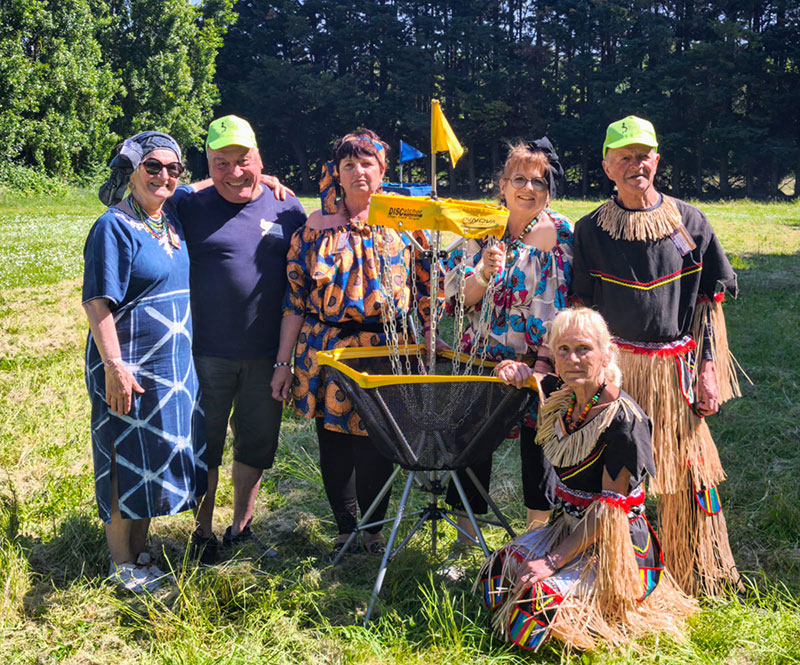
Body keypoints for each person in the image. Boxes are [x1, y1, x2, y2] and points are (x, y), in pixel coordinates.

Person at [571, 115, 741, 595]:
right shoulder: (590, 231)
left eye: (643, 155)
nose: (634, 165)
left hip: (674, 372)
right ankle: (621, 573)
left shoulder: (690, 223)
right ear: (607, 166)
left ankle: (697, 570)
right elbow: (582, 307)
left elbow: (710, 302)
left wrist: (709, 370)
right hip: (618, 373)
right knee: (617, 473)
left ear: (657, 161)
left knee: (688, 472)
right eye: (623, 157)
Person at [477, 308, 694, 651]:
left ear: (607, 353)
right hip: (568, 526)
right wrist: (511, 368)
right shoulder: (564, 397)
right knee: (498, 568)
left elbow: (609, 511)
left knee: (536, 602)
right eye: (562, 349)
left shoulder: (623, 421)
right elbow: (534, 379)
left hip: (613, 542)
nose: (572, 359)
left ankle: (605, 615)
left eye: (583, 349)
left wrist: (551, 562)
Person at [271, 129, 436, 556]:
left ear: (382, 172)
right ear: (336, 174)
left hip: (386, 350)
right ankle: (345, 528)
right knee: (335, 440)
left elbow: (428, 292)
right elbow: (294, 299)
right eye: (349, 165)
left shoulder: (407, 225)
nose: (358, 172)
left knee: (378, 439)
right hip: (327, 349)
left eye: (367, 164)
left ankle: (374, 531)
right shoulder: (313, 229)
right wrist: (282, 363)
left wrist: (429, 351)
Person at [168, 115, 306, 564]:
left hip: (268, 356)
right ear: (207, 165)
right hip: (205, 353)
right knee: (205, 445)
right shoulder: (188, 203)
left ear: (258, 157)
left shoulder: (288, 208)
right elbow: (119, 197)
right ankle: (203, 532)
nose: (233, 172)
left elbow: (300, 284)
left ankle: (241, 528)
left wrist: (287, 360)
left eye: (243, 160)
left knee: (256, 444)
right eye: (220, 163)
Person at [84, 131, 207, 593]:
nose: (164, 176)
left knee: (151, 460)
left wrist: (267, 178)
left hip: (169, 368)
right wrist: (115, 365)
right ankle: (121, 563)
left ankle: (139, 554)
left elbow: (218, 185)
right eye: (152, 166)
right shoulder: (113, 226)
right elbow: (98, 303)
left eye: (174, 168)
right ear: (131, 169)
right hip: (127, 365)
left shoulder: (168, 218)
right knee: (122, 459)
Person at [442, 138, 572, 545]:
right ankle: (465, 542)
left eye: (540, 181)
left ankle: (536, 544)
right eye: (520, 179)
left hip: (539, 362)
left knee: (540, 453)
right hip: (479, 358)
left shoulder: (560, 232)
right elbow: (455, 300)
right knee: (470, 447)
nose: (529, 188)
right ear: (502, 184)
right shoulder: (479, 226)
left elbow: (562, 307)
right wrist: (481, 272)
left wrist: (542, 369)